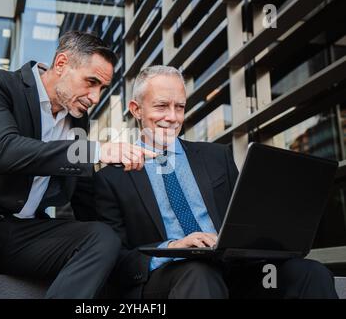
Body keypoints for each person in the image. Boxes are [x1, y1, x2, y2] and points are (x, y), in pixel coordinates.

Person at [0, 31, 155, 299]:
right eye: (91, 82)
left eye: (102, 88)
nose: (95, 97)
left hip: (26, 238)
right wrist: (97, 150)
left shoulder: (77, 120)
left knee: (102, 237)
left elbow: (82, 192)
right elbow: (5, 151)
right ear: (61, 64)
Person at [95, 65, 338, 299]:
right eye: (161, 106)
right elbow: (116, 261)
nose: (172, 117)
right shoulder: (110, 179)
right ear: (136, 109)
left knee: (308, 273)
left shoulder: (216, 157)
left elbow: (243, 219)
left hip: (234, 271)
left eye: (179, 107)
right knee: (200, 273)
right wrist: (174, 246)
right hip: (168, 278)